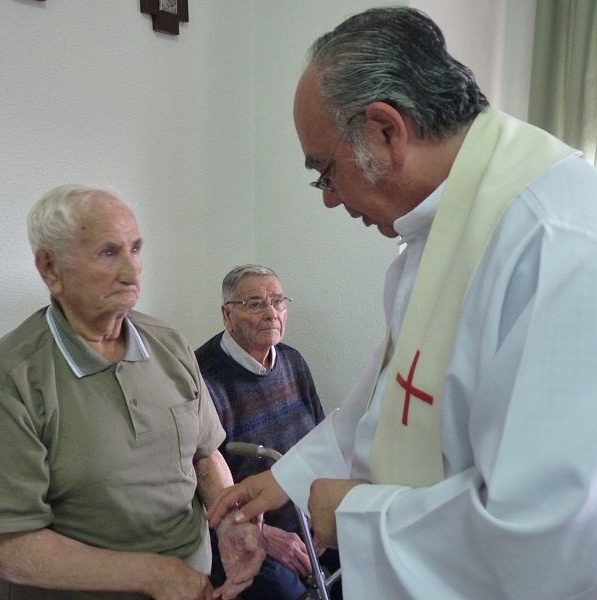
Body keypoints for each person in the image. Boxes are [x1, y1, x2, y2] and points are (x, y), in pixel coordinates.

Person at [207, 6, 597, 600]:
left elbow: (551, 532)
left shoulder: (551, 238)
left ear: (387, 130)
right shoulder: (438, 229)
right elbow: (389, 401)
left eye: (325, 172)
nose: (330, 200)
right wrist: (285, 478)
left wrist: (361, 519)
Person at [0, 184, 265, 600]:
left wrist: (229, 523)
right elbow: (11, 548)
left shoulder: (169, 343)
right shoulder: (13, 375)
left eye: (135, 249)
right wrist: (154, 576)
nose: (132, 270)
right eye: (109, 252)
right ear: (50, 268)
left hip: (192, 587)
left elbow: (204, 455)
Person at [195, 264, 341, 600]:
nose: (272, 313)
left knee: (366, 557)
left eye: (278, 301)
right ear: (226, 315)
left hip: (310, 517)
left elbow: (323, 444)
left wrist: (322, 517)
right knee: (283, 591)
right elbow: (202, 481)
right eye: (256, 304)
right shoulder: (201, 377)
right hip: (253, 532)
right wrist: (265, 537)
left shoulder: (293, 361)